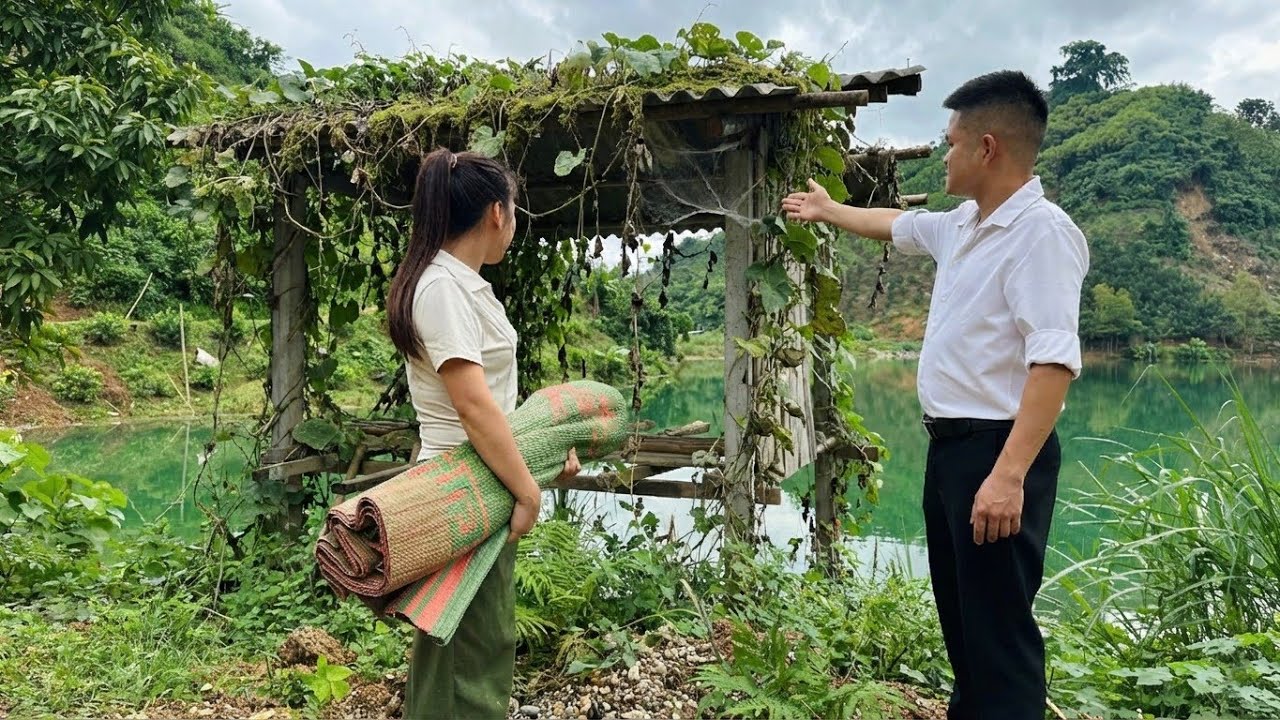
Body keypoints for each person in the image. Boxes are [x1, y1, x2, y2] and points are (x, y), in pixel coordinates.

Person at [782, 70, 1088, 718]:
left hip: (997, 455)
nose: (941, 153)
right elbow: (895, 224)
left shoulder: (1042, 233)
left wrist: (1008, 477)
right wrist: (827, 211)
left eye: (948, 143)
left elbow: (1053, 364)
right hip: (953, 452)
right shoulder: (962, 227)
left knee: (999, 636)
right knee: (966, 628)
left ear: (986, 148)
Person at [386, 147, 580, 720]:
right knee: (462, 656)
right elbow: (471, 407)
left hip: (481, 483)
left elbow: (494, 406)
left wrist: (536, 463)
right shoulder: (443, 288)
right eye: (515, 212)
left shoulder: (464, 284)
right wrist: (527, 489)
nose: (515, 224)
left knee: (480, 640)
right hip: (459, 489)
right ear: (497, 213)